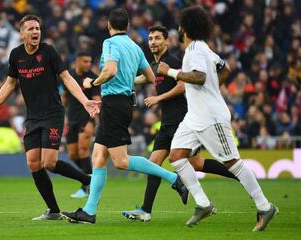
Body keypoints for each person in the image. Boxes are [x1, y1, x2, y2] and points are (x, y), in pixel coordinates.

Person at [61, 8, 188, 224]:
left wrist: (92, 82)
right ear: (127, 26)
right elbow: (150, 76)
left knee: (120, 161)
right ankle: (89, 212)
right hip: (120, 103)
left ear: (109, 26)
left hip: (115, 105)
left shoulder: (110, 43)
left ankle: (173, 179)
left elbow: (110, 70)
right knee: (98, 157)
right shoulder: (135, 46)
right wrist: (127, 81)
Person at [157, 6, 278, 231]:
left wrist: (170, 72)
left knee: (233, 163)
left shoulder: (195, 50)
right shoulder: (202, 49)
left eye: (181, 26)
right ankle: (203, 204)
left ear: (186, 28)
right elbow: (226, 69)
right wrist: (213, 89)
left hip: (211, 117)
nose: (179, 29)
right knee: (176, 156)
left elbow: (200, 77)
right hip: (194, 117)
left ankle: (265, 206)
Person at [0, 15, 100, 221]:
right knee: (33, 164)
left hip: (53, 114)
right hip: (33, 117)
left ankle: (88, 179)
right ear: (22, 34)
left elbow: (66, 78)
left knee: (49, 162)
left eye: (37, 28)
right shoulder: (16, 55)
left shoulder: (49, 51)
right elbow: (9, 85)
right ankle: (54, 211)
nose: (35, 32)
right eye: (30, 29)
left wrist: (85, 101)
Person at [122, 25, 239, 222]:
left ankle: (240, 175)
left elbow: (182, 85)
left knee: (197, 164)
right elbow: (145, 77)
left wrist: (159, 99)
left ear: (167, 41)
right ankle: (145, 210)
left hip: (181, 121)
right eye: (150, 38)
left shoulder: (173, 61)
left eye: (158, 38)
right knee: (154, 164)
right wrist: (125, 80)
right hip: (166, 123)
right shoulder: (155, 63)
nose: (153, 42)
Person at [62, 51, 101, 198]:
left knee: (83, 150)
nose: (88, 64)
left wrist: (96, 121)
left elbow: (97, 100)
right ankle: (89, 179)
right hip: (72, 119)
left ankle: (87, 186)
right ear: (77, 61)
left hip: (87, 119)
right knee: (73, 154)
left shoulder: (93, 79)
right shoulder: (68, 76)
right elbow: (65, 96)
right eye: (85, 61)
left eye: (90, 61)